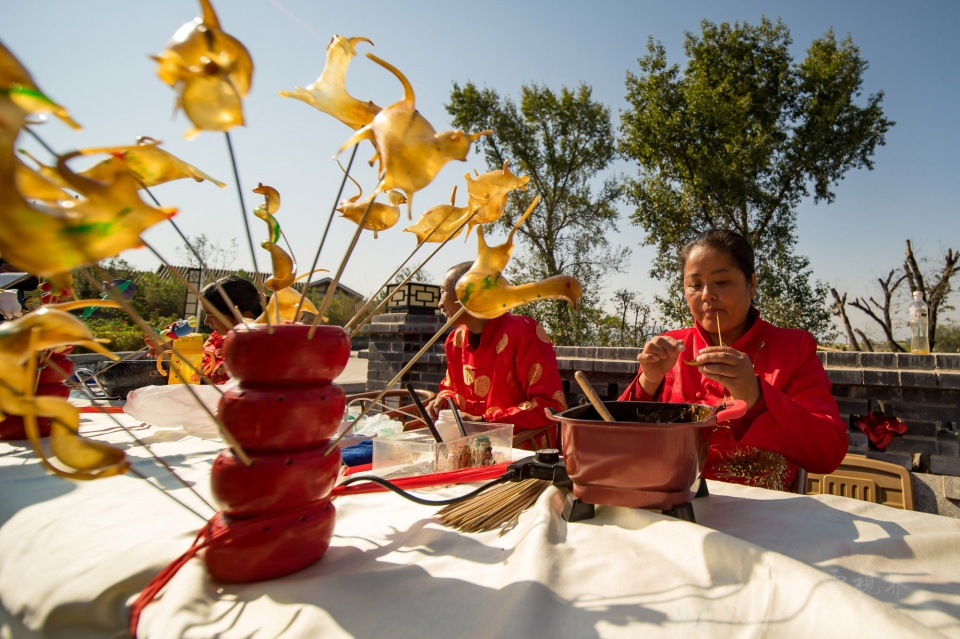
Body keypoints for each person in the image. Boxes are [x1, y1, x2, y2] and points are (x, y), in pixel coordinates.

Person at [618, 229, 847, 491]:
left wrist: (756, 396)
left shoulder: (793, 348)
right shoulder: (672, 349)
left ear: (751, 284)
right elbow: (616, 441)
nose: (706, 295)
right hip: (674, 504)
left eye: (722, 282)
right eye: (694, 285)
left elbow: (829, 452)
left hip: (760, 514)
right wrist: (649, 380)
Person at [425, 262, 568, 449]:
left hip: (520, 452)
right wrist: (444, 400)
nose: (440, 303)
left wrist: (485, 421)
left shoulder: (524, 332)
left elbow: (551, 406)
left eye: (444, 291)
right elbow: (450, 387)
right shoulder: (455, 340)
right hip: (468, 449)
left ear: (468, 292)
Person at [197, 275, 263, 384]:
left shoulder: (263, 350)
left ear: (244, 316)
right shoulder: (216, 339)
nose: (206, 321)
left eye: (212, 315)